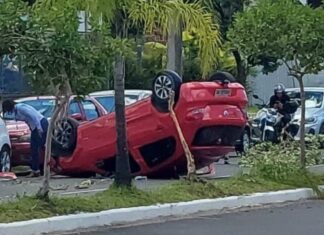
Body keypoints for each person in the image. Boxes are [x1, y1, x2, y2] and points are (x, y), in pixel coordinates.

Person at [2, 100, 48, 177]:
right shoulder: (15, 111)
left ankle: (42, 168)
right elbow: (27, 120)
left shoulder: (21, 108)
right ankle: (36, 170)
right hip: (34, 127)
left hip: (40, 123)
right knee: (34, 148)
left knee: (39, 147)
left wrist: (39, 128)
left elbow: (34, 116)